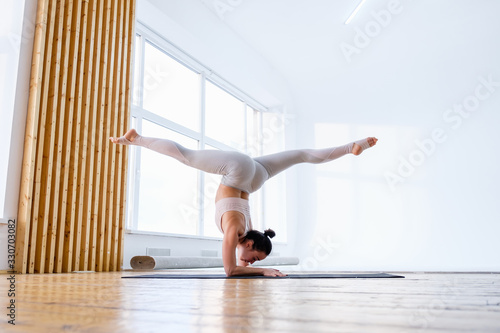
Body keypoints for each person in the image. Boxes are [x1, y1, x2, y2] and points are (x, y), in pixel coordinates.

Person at [110, 129, 377, 277]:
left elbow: (234, 265)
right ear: (249, 244)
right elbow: (231, 270)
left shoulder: (246, 231)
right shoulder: (237, 232)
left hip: (254, 177)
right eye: (254, 258)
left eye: (253, 261)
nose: (249, 263)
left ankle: (351, 146)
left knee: (300, 155)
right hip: (239, 171)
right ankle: (137, 139)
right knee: (187, 156)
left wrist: (260, 269)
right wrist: (262, 273)